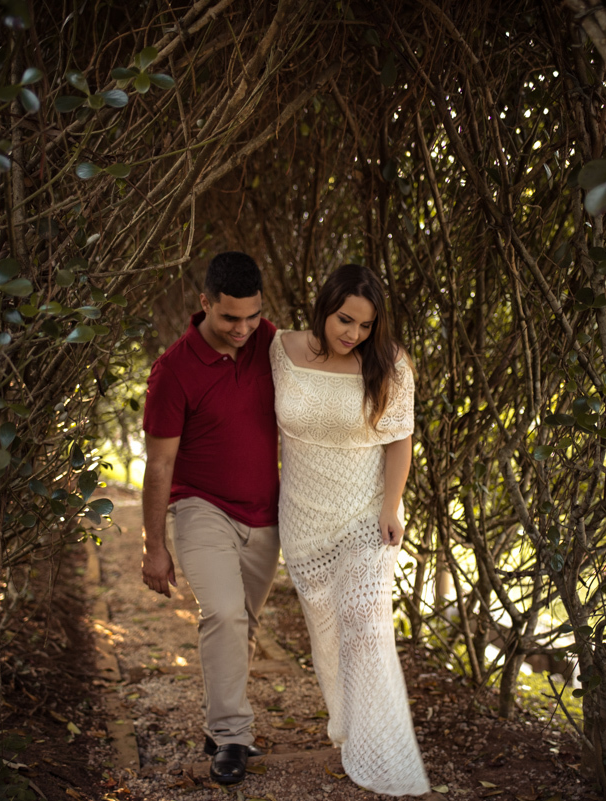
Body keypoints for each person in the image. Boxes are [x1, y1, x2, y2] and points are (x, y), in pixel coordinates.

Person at [270, 264, 430, 797]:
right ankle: (347, 726)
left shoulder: (390, 365)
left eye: (364, 326)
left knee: (365, 618)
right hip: (303, 517)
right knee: (327, 628)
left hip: (365, 513)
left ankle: (382, 748)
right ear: (324, 307)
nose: (353, 334)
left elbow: (400, 439)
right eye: (344, 320)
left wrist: (393, 505)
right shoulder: (283, 351)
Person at [140, 251, 278, 785]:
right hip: (200, 507)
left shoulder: (271, 343)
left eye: (252, 316)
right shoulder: (174, 369)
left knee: (243, 622)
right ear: (204, 304)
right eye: (230, 318)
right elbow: (160, 463)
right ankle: (233, 737)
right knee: (222, 612)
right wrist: (155, 546)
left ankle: (220, 723)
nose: (243, 329)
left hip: (265, 515)